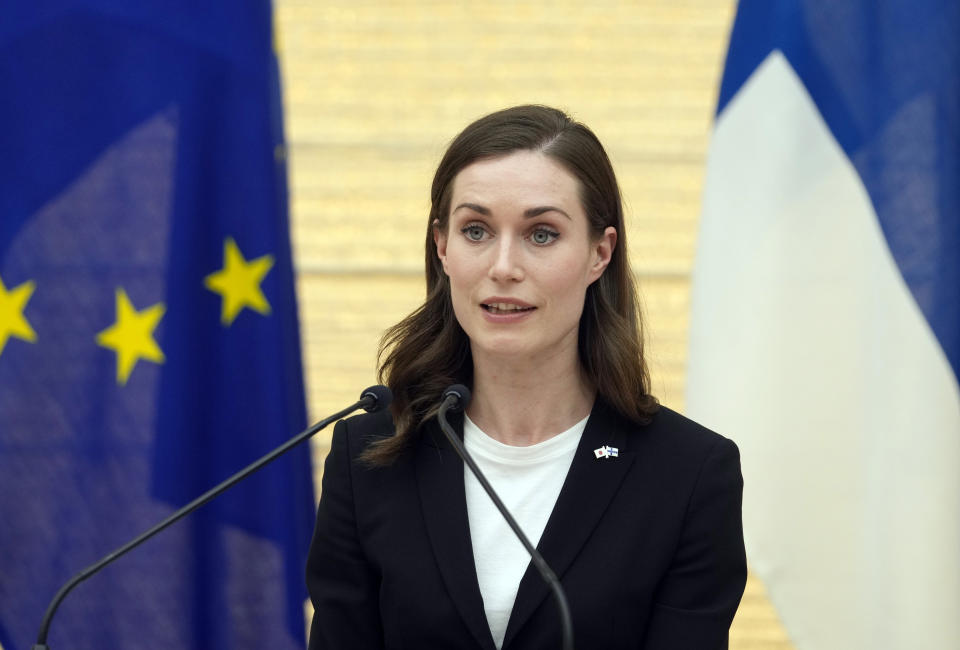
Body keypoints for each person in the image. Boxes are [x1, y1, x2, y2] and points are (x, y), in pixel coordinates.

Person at [306, 105, 746, 649]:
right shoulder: (368, 452)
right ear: (442, 247)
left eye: (541, 234)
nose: (503, 266)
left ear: (599, 253)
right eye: (476, 230)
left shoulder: (690, 474)